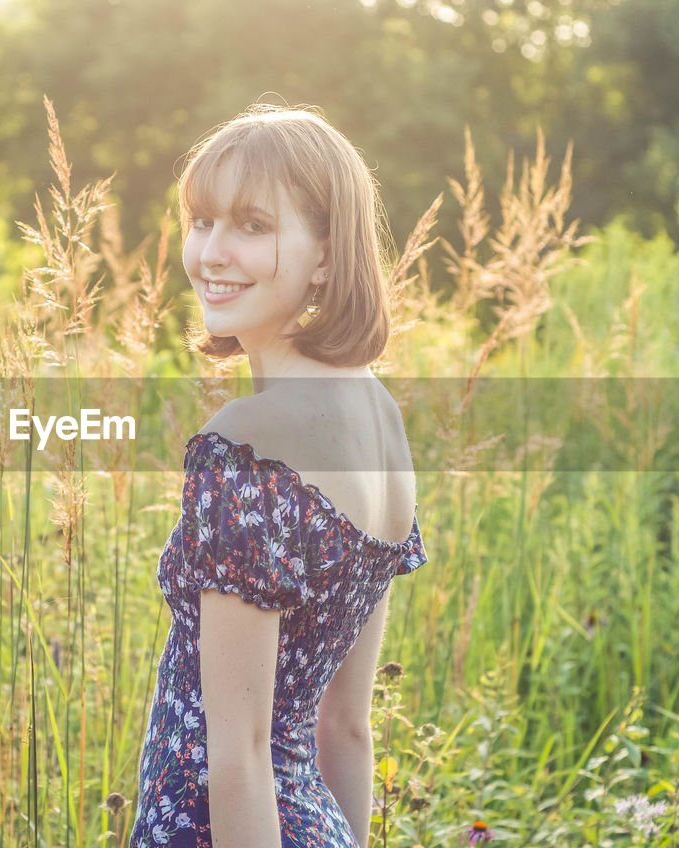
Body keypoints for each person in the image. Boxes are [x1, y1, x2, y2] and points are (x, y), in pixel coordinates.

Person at [128, 104, 430, 848]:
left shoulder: (243, 446)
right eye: (202, 221)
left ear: (325, 256)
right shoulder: (382, 419)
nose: (211, 253)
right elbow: (347, 728)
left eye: (253, 226)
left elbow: (239, 754)